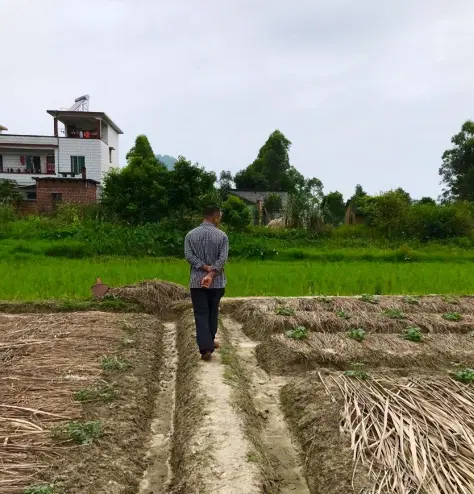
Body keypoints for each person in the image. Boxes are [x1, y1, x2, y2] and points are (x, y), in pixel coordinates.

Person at [184, 205, 229, 361]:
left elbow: (189, 256)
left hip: (197, 282)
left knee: (201, 313)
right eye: (220, 216)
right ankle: (208, 344)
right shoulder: (222, 236)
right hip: (216, 282)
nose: (220, 219)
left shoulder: (190, 235)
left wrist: (204, 268)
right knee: (212, 312)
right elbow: (222, 260)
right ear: (215, 216)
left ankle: (206, 348)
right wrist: (212, 272)